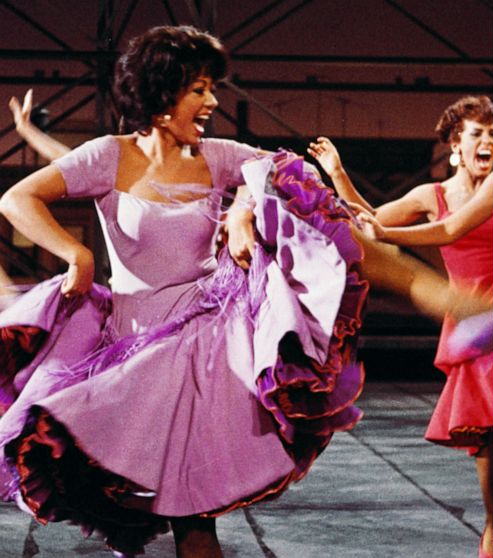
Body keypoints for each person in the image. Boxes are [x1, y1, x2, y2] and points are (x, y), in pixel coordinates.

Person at [0, 26, 368, 557]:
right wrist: (75, 254)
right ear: (161, 93)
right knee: (135, 508)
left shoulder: (214, 156)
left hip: (200, 354)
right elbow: (18, 198)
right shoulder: (108, 156)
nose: (212, 101)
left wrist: (242, 209)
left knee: (195, 519)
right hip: (129, 351)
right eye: (198, 88)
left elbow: (282, 171)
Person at [309, 96, 493, 557]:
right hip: (470, 336)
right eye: (478, 134)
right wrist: (338, 175)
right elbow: (365, 222)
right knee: (492, 486)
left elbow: (449, 233)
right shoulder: (427, 197)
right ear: (456, 144)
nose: (489, 142)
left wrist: (387, 236)